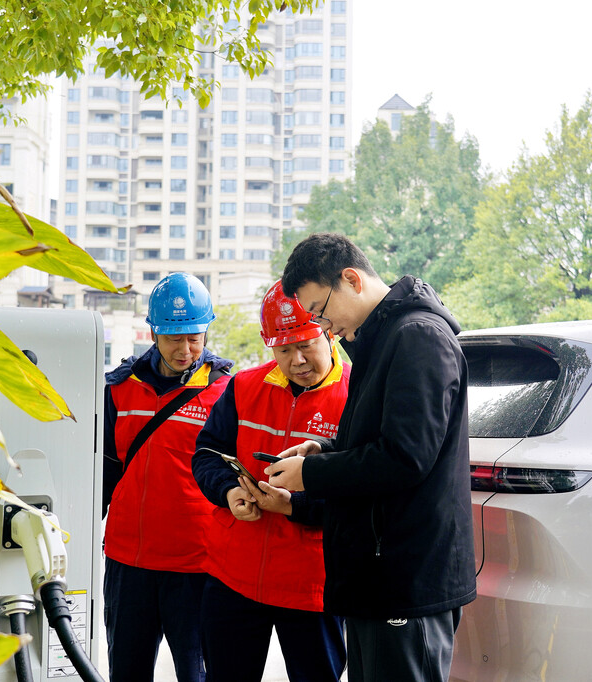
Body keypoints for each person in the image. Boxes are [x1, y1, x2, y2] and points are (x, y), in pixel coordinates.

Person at [268, 232, 476, 682]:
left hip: (404, 577)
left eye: (321, 310)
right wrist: (322, 450)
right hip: (377, 576)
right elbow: (380, 440)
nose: (322, 327)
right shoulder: (383, 338)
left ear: (350, 279)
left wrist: (313, 473)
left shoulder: (417, 336)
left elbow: (405, 457)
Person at [191, 280, 349, 682]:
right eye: (283, 349)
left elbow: (362, 491)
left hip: (314, 587)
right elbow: (206, 455)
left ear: (327, 333)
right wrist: (228, 492)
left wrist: (294, 506)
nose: (296, 360)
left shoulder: (357, 395)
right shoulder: (244, 387)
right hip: (233, 577)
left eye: (305, 345)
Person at [102, 272, 233, 682]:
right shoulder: (119, 389)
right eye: (174, 337)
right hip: (129, 562)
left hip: (196, 564)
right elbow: (104, 471)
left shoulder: (225, 391)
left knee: (196, 673)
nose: (185, 348)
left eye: (195, 337)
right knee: (127, 670)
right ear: (153, 332)